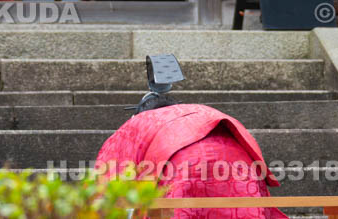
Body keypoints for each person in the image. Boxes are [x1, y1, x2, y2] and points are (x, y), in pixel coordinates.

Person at [94, 55, 286, 219]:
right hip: (237, 159)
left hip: (183, 165)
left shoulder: (140, 122)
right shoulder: (196, 111)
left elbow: (111, 175)